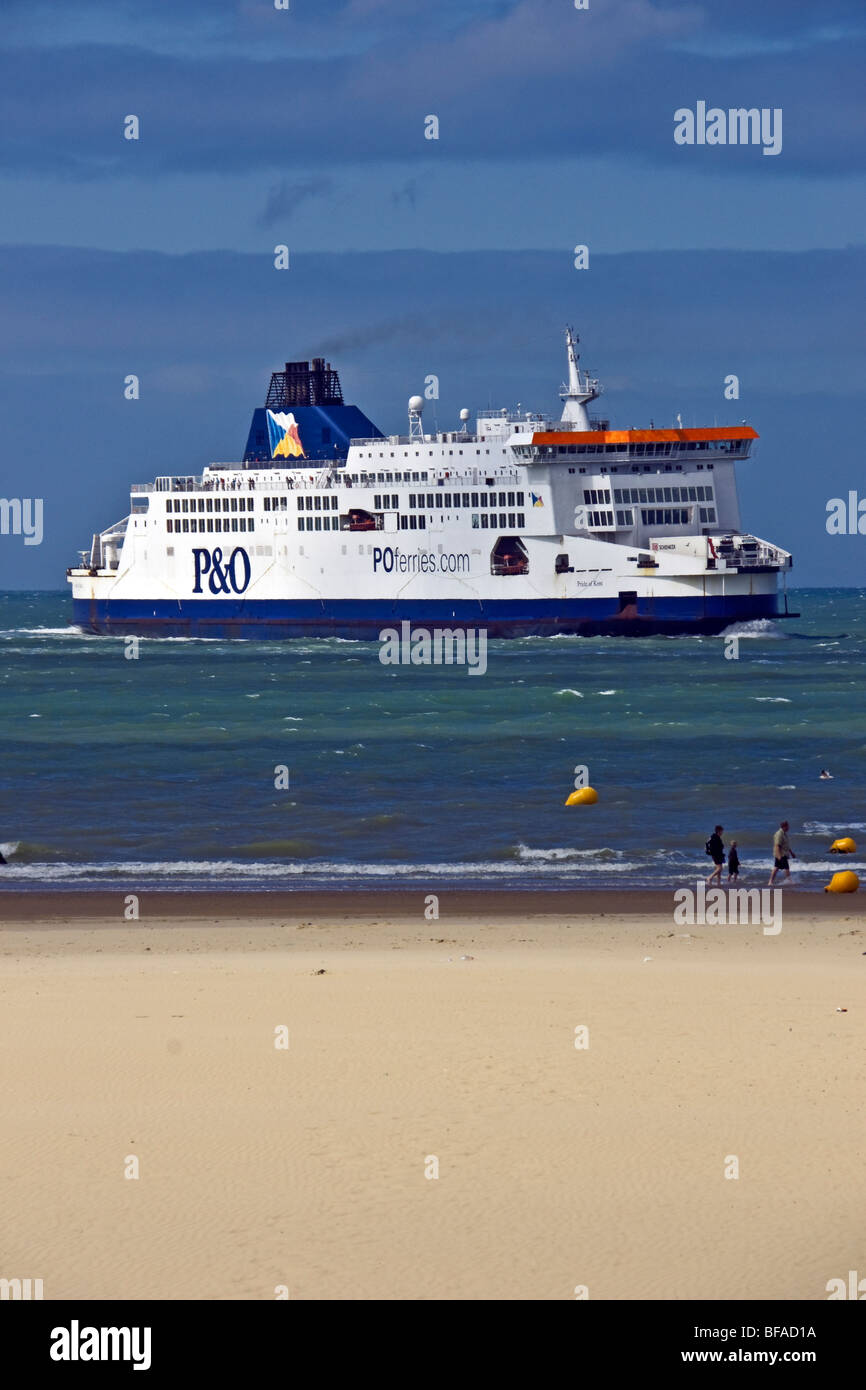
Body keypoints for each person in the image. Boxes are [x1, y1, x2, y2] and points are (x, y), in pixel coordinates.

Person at [768, 820, 795, 886]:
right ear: (784, 826)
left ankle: (770, 882)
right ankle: (790, 881)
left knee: (776, 868)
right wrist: (779, 856)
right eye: (788, 826)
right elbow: (777, 845)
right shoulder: (779, 834)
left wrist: (791, 853)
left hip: (784, 853)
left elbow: (786, 845)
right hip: (781, 854)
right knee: (786, 868)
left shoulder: (784, 834)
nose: (789, 828)